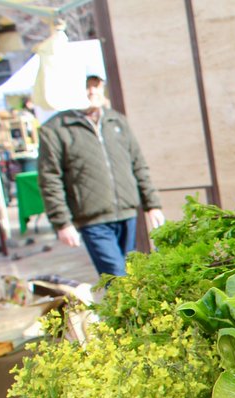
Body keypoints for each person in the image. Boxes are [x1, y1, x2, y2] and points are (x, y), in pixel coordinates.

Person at [37, 75, 164, 278]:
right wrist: (62, 222)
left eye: (96, 85)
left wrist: (152, 204)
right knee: (116, 276)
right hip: (92, 219)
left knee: (133, 275)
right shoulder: (55, 129)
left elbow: (138, 164)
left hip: (127, 213)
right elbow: (49, 179)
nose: (92, 92)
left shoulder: (117, 121)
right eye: (86, 86)